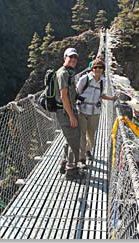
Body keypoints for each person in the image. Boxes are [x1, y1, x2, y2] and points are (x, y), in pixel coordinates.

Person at [76, 58, 117, 165]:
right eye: (95, 67)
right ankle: (82, 158)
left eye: (100, 68)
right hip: (82, 111)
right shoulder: (84, 79)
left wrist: (111, 98)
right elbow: (77, 93)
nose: (98, 69)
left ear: (103, 70)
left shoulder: (103, 81)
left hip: (95, 112)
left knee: (92, 137)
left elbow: (101, 95)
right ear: (92, 68)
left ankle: (87, 149)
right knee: (81, 134)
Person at [55, 47, 85, 179]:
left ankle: (65, 162)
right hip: (66, 112)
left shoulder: (69, 72)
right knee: (74, 140)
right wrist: (72, 116)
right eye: (70, 57)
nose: (73, 59)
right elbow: (64, 96)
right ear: (64, 57)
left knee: (70, 138)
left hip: (67, 111)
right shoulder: (63, 74)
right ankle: (71, 171)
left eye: (75, 57)